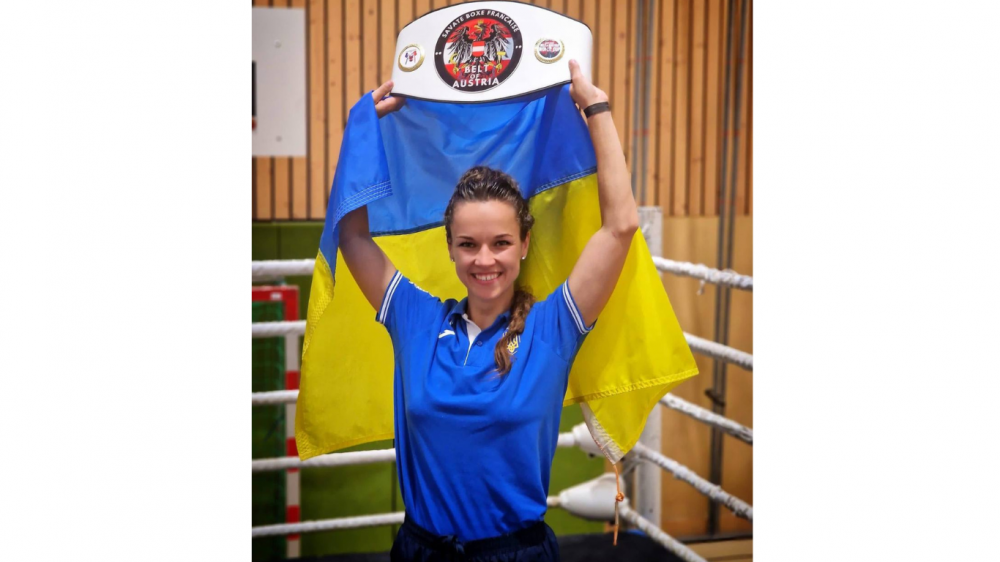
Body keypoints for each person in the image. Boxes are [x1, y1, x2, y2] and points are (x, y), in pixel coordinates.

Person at [338, 59, 638, 562]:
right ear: (450, 249)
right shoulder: (416, 321)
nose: (484, 260)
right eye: (468, 244)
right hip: (422, 554)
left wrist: (597, 108)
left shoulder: (551, 328)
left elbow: (620, 227)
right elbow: (352, 238)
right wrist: (361, 130)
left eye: (500, 242)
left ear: (524, 244)